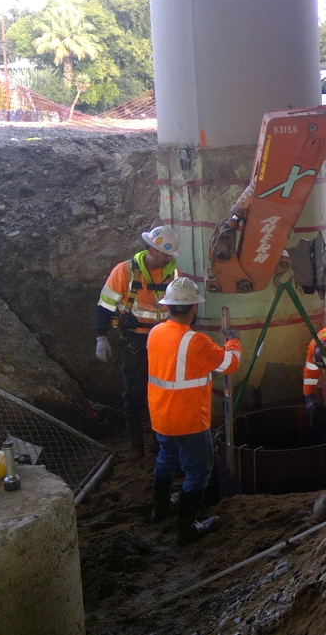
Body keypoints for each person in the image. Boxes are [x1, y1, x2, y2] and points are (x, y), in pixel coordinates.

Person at [146, 277, 241, 546]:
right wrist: (233, 342)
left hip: (161, 415)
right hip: (188, 420)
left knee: (166, 457)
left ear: (169, 307)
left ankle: (159, 511)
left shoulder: (155, 333)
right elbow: (229, 364)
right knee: (198, 472)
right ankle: (186, 529)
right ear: (192, 309)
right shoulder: (195, 342)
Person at [94, 226, 181, 460]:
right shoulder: (124, 272)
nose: (168, 259)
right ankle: (135, 446)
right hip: (134, 340)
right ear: (152, 250)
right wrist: (101, 337)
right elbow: (105, 306)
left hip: (164, 340)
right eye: (165, 254)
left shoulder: (173, 274)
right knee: (133, 394)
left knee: (162, 393)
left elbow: (182, 308)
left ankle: (158, 441)